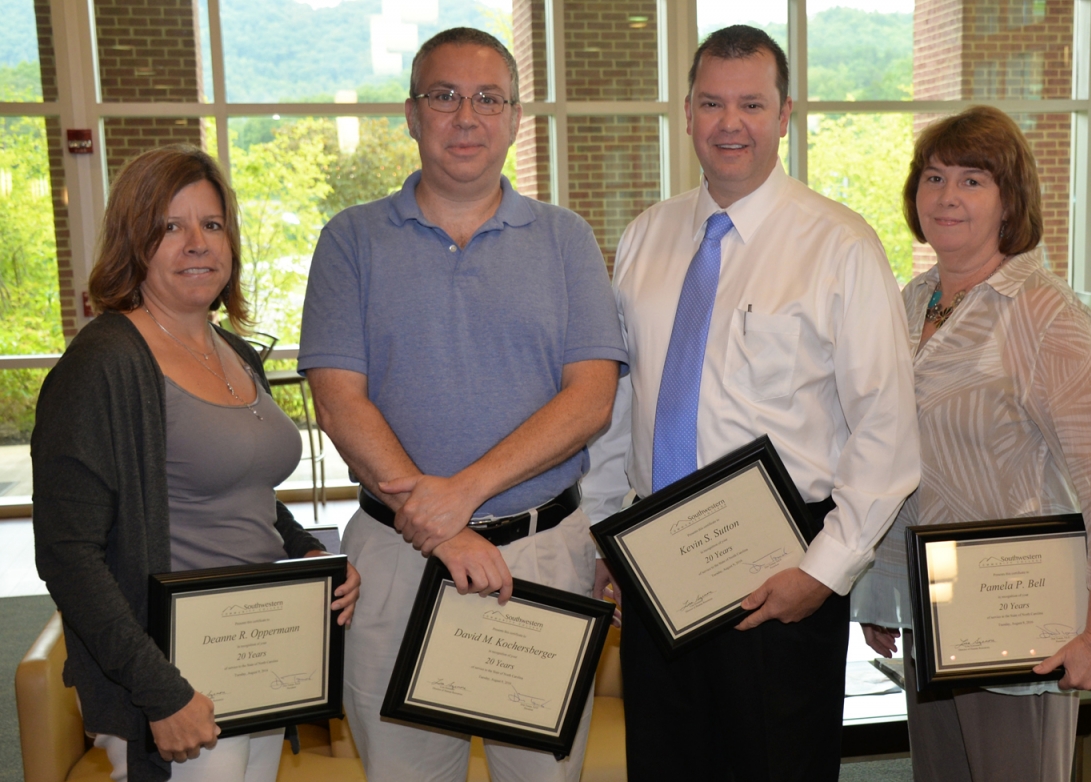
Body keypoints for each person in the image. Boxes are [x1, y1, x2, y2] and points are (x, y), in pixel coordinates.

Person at [580, 25, 920, 781]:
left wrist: (823, 571)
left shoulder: (840, 245)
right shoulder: (646, 236)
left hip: (781, 559)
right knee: (665, 762)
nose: (730, 123)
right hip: (657, 553)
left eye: (751, 104)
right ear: (689, 113)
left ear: (784, 114)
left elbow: (886, 428)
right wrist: (609, 531)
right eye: (711, 103)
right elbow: (620, 400)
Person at [298, 27, 627, 782]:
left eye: (488, 99)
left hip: (540, 558)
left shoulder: (565, 238)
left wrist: (460, 497)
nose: (466, 117)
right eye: (444, 97)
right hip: (395, 558)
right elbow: (340, 402)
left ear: (516, 119)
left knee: (543, 775)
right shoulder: (351, 241)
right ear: (411, 115)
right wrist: (441, 531)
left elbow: (592, 397)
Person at [31, 145, 360, 782]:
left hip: (260, 653)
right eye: (170, 226)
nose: (196, 244)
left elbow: (245, 491)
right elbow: (68, 553)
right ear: (134, 241)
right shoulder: (103, 365)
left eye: (210, 225)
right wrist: (161, 691)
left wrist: (306, 555)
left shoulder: (234, 351)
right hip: (171, 668)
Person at [852, 106, 1091, 781]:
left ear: (1012, 199)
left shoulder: (1044, 313)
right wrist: (885, 593)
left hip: (1025, 626)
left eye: (973, 180)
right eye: (933, 177)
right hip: (936, 621)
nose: (947, 196)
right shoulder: (910, 302)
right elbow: (901, 461)